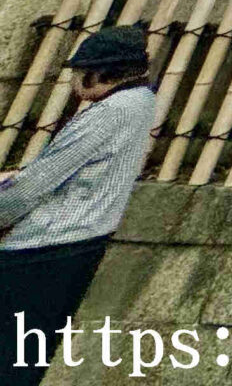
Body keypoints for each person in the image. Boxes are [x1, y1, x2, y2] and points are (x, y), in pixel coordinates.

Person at [0, 26, 156, 386]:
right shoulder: (143, 101)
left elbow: (32, 188)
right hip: (84, 239)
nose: (73, 81)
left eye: (78, 72)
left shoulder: (107, 113)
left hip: (44, 245)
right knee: (28, 350)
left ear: (100, 73)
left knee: (10, 352)